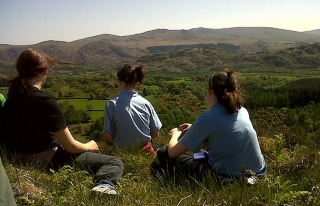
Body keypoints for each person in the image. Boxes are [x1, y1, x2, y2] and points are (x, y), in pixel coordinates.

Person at [0, 48, 124, 195]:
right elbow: (71, 146)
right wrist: (89, 146)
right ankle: (103, 186)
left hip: (16, 157)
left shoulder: (12, 97)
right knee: (114, 162)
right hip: (47, 159)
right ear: (45, 71)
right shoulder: (45, 101)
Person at [151, 69, 267, 183]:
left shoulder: (207, 118)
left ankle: (169, 181)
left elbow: (172, 152)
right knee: (201, 154)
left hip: (226, 178)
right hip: (258, 174)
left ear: (210, 91)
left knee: (163, 152)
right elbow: (226, 129)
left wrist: (174, 135)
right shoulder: (241, 110)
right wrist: (194, 128)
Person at [104, 64, 162, 156]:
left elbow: (108, 138)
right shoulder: (146, 103)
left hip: (122, 154)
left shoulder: (111, 104)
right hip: (146, 153)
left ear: (120, 82)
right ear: (137, 83)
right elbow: (155, 134)